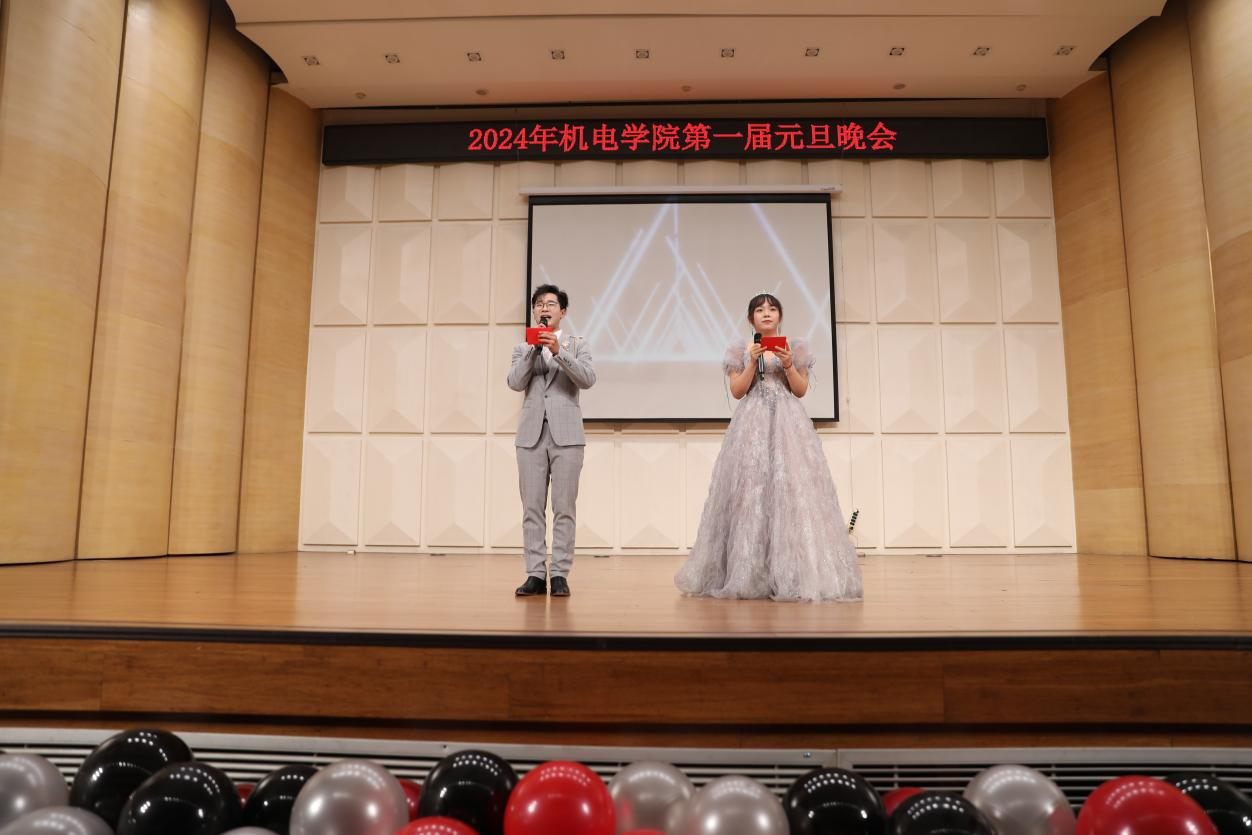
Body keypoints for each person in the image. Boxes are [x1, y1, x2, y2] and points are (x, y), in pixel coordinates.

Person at [675, 293, 862, 602]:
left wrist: (788, 364)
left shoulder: (795, 348)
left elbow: (800, 390)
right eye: (760, 310)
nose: (766, 313)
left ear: (780, 316)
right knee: (751, 491)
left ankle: (792, 572)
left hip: (788, 424)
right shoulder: (740, 349)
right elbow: (738, 391)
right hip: (752, 424)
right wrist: (751, 360)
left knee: (790, 490)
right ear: (751, 318)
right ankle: (748, 572)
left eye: (772, 309)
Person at [506, 284, 596, 597]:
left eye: (551, 304)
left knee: (564, 508)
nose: (544, 308)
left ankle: (559, 573)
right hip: (530, 437)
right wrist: (534, 350)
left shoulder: (577, 345)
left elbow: (587, 378)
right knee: (531, 509)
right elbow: (515, 382)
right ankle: (535, 574)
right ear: (534, 311)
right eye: (539, 304)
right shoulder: (522, 348)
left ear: (563, 311)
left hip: (567, 437)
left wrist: (559, 352)